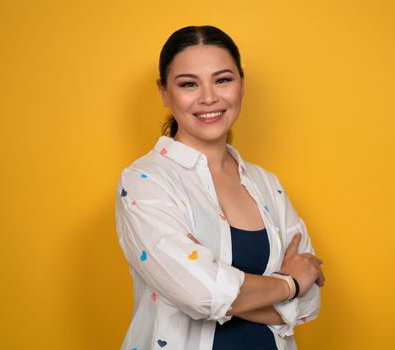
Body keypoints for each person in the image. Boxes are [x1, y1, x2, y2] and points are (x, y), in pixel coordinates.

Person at [115, 25, 324, 350]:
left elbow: (310, 303)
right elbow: (200, 294)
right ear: (164, 92)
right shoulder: (145, 182)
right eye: (188, 84)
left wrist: (227, 291)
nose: (209, 97)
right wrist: (290, 283)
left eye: (222, 79)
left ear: (241, 83)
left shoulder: (267, 184)